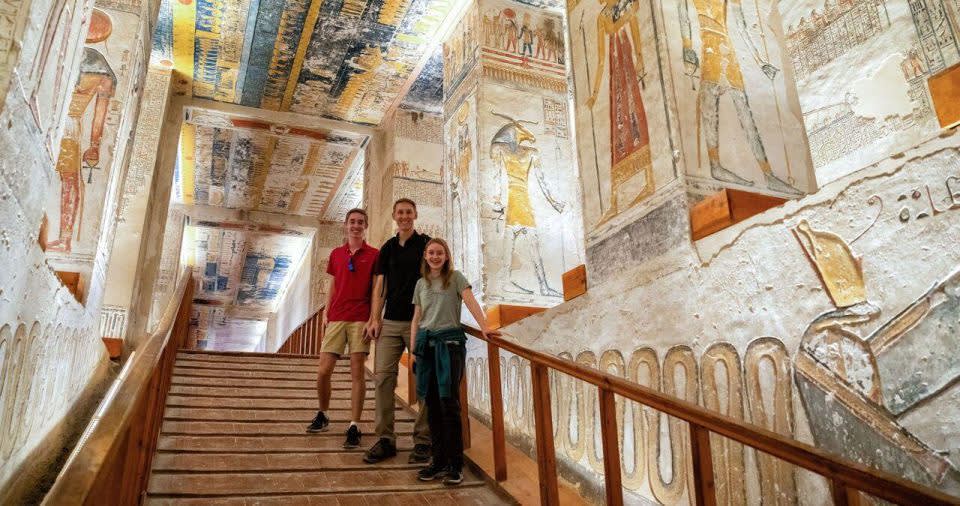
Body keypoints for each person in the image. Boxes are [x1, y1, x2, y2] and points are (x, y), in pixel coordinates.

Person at [411, 238, 499, 485]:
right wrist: (414, 350)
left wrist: (485, 327)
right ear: (425, 256)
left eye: (440, 253)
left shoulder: (456, 278)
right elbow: (416, 318)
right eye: (431, 253)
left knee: (449, 404)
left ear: (446, 256)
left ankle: (454, 464)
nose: (435, 256)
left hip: (450, 346)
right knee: (431, 405)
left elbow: (470, 301)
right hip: (426, 347)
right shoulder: (420, 283)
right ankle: (437, 461)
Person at [363, 199, 432, 464]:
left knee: (423, 380)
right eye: (400, 212)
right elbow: (380, 285)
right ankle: (385, 439)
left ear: (415, 215)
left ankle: (423, 441)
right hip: (390, 322)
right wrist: (374, 318)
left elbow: (436, 278)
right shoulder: (388, 248)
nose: (404, 216)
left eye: (408, 212)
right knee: (383, 380)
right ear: (394, 215)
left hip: (419, 321)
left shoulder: (425, 244)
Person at [307, 208, 379, 451]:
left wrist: (373, 317)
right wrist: (326, 311)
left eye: (360, 222)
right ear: (346, 225)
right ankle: (323, 413)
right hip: (337, 317)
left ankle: (354, 425)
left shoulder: (374, 254)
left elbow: (377, 289)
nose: (356, 226)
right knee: (323, 370)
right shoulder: (336, 254)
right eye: (352, 222)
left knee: (357, 373)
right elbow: (334, 283)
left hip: (360, 318)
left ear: (365, 226)